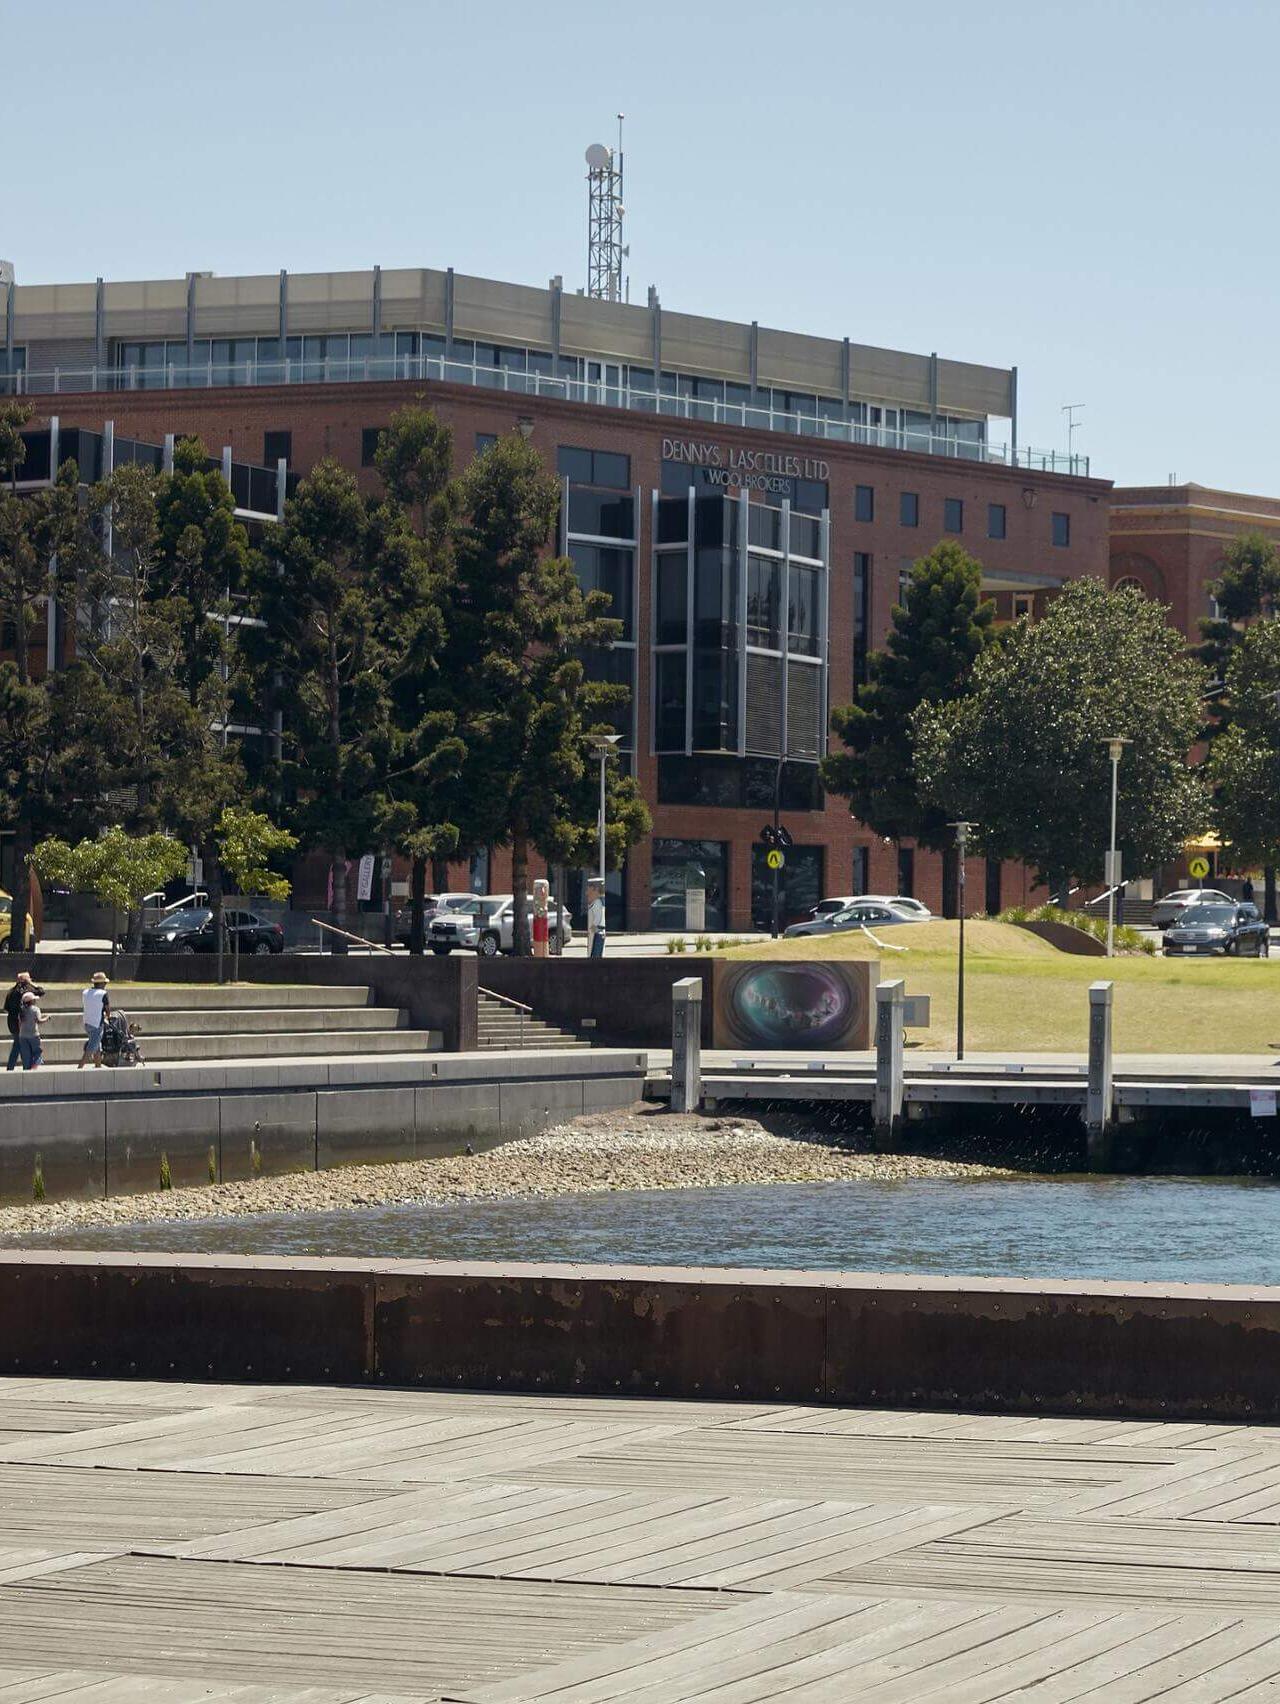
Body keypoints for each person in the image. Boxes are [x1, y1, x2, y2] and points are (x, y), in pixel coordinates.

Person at [3, 971, 41, 1071]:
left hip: (11, 1022)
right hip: (21, 1023)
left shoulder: (10, 991)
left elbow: (6, 1007)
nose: (30, 980)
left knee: (19, 1045)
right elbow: (41, 991)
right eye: (29, 979)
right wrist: (31, 983)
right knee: (19, 1046)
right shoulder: (26, 990)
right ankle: (19, 1068)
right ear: (25, 980)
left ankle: (15, 1067)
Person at [79, 970, 110, 1069]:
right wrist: (107, 1017)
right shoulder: (103, 993)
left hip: (87, 1023)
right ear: (101, 983)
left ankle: (98, 1066)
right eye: (104, 983)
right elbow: (108, 1010)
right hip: (97, 1024)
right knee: (92, 1047)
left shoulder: (85, 992)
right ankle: (80, 1067)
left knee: (97, 1045)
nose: (105, 985)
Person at [17, 990, 43, 1071]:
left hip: (22, 1036)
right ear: (32, 1001)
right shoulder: (35, 1009)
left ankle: (26, 1071)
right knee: (37, 1053)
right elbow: (39, 1021)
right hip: (33, 1035)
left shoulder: (21, 1010)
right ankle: (34, 1069)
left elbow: (19, 1023)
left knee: (25, 1056)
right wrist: (47, 1018)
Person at [587, 882, 606, 959]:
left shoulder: (597, 902)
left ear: (596, 890)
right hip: (598, 931)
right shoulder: (597, 902)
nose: (587, 893)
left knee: (595, 955)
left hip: (597, 932)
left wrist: (593, 927)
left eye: (589, 890)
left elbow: (598, 917)